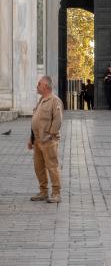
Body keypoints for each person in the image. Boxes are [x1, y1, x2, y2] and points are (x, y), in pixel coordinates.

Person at [27, 75, 63, 203]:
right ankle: (43, 192)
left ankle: (56, 193)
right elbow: (35, 119)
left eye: (39, 84)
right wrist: (31, 139)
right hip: (37, 141)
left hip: (48, 141)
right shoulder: (42, 99)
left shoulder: (54, 100)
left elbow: (58, 119)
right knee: (39, 167)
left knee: (52, 167)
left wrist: (51, 136)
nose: (37, 86)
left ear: (46, 86)